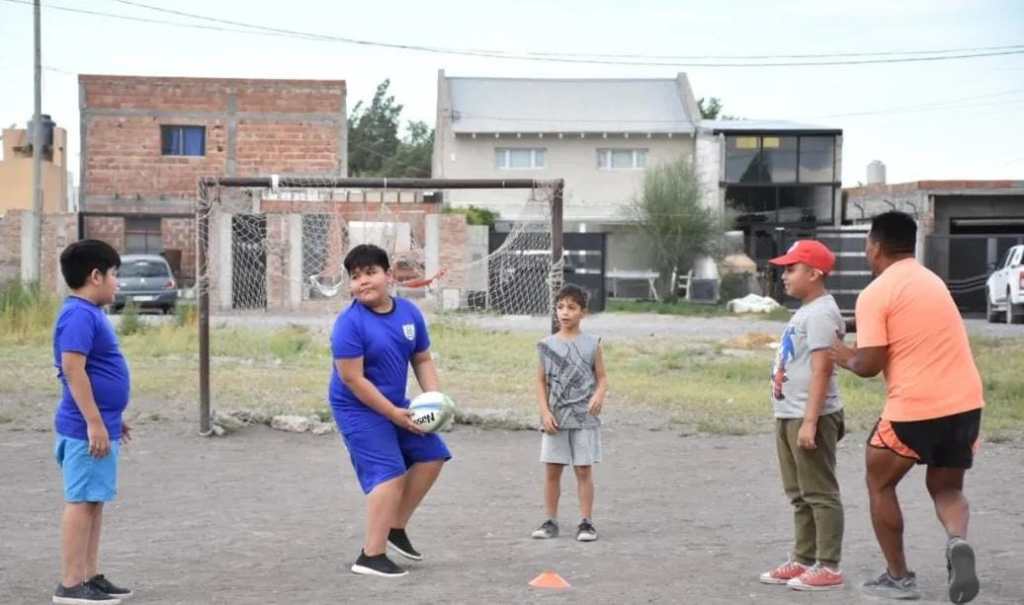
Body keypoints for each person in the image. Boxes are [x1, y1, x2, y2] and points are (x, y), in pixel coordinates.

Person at [832, 211, 983, 603]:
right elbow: (905, 323)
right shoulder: (931, 281)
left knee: (879, 482)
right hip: (966, 404)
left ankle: (899, 577)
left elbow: (869, 365)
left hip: (914, 408)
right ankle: (955, 542)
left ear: (875, 246)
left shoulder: (876, 292)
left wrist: (841, 354)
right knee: (946, 487)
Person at [329, 244, 451, 578]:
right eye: (355, 277)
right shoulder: (349, 324)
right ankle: (371, 555)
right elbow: (352, 380)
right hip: (357, 408)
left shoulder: (409, 314)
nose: (362, 282)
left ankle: (394, 526)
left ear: (389, 276)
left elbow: (421, 358)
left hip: (394, 404)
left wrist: (435, 398)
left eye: (370, 273)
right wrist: (394, 414)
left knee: (432, 454)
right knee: (390, 473)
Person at [759, 240, 846, 592]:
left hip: (809, 416)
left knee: (819, 492)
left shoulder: (822, 312)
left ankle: (829, 565)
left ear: (814, 273)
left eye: (791, 268)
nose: (784, 275)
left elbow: (823, 368)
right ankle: (803, 557)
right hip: (789, 413)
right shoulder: (807, 310)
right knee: (798, 492)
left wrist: (810, 421)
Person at [52, 240, 133, 604]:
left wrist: (113, 418)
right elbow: (73, 368)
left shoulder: (91, 314)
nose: (117, 283)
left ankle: (89, 575)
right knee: (81, 500)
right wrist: (94, 423)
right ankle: (71, 584)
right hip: (85, 430)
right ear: (95, 275)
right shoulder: (78, 315)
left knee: (94, 500)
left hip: (101, 425)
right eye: (114, 275)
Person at [531, 284, 608, 542]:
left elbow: (603, 378)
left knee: (583, 471)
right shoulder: (546, 345)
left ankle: (586, 522)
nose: (565, 312)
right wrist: (544, 412)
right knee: (552, 470)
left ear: (582, 313)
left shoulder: (592, 344)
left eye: (571, 307)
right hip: (556, 419)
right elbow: (540, 382)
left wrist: (598, 395)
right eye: (560, 307)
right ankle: (550, 520)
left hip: (584, 420)